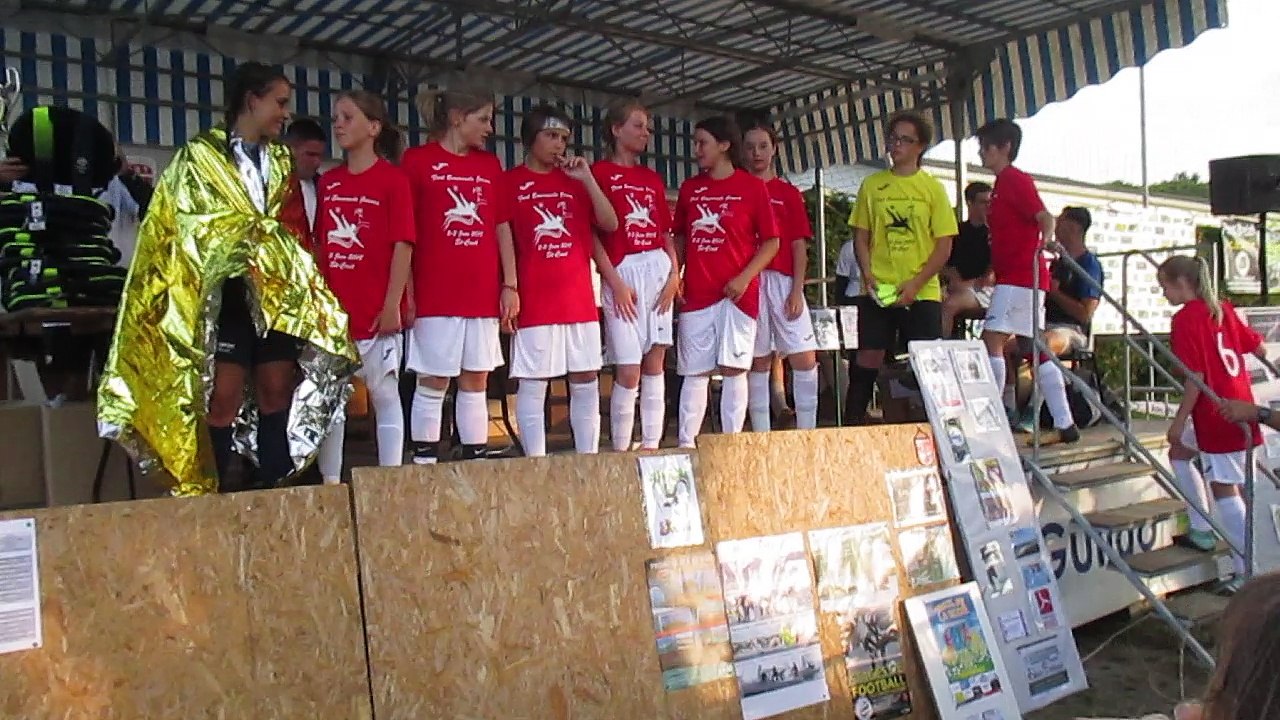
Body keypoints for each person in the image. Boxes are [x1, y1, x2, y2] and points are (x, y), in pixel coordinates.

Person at [97, 61, 357, 496]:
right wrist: (235, 240)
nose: (284, 113)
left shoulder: (280, 160)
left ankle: (280, 492)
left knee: (277, 391)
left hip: (276, 297)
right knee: (223, 397)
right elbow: (179, 226)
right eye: (279, 102)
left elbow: (292, 230)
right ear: (251, 100)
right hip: (227, 295)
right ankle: (211, 497)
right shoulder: (200, 156)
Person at [400, 86, 518, 464]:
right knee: (433, 380)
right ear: (456, 118)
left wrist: (510, 284)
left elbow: (501, 226)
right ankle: (423, 462)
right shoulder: (417, 162)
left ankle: (475, 459)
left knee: (476, 380)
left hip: (481, 292)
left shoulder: (489, 165)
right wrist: (409, 292)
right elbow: (406, 234)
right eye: (482, 119)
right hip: (436, 292)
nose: (488, 128)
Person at [312, 90, 414, 483]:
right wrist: (320, 304)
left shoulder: (393, 181)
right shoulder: (330, 183)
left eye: (348, 116)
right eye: (336, 116)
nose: (338, 123)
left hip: (377, 308)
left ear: (373, 128)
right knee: (332, 401)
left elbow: (402, 244)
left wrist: (393, 304)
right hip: (336, 313)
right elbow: (322, 245)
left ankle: (389, 481)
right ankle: (332, 485)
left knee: (385, 394)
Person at [507, 104, 617, 457]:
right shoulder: (510, 182)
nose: (559, 145)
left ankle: (588, 459)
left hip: (579, 300)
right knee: (534, 382)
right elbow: (502, 239)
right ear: (530, 138)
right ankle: (534, 463)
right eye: (551, 136)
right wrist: (508, 288)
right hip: (535, 299)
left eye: (564, 138)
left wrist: (587, 178)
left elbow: (610, 223)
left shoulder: (576, 181)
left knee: (585, 380)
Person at [671, 116, 779, 448]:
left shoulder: (752, 187)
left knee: (735, 369)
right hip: (698, 293)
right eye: (696, 143)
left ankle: (731, 445)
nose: (697, 150)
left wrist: (745, 277)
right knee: (694, 370)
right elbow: (679, 238)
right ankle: (687, 444)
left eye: (702, 142)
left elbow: (772, 241)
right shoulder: (690, 188)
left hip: (739, 296)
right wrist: (676, 275)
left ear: (724, 145)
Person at [845, 111, 957, 425]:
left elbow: (944, 245)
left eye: (905, 140)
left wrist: (917, 283)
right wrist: (867, 274)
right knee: (869, 353)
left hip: (922, 290)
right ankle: (852, 422)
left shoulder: (932, 188)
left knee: (926, 359)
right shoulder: (872, 184)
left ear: (920, 146)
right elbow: (861, 236)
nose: (896, 145)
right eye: (893, 138)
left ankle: (939, 426)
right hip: (880, 288)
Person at [1161, 255, 1263, 590]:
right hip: (1238, 400)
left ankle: (1247, 569)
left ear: (1180, 283)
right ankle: (1202, 529)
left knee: (1225, 488)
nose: (1164, 295)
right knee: (1179, 452)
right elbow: (1256, 345)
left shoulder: (1186, 319)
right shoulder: (1221, 309)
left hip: (1217, 410)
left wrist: (1178, 420)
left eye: (1165, 287)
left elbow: (1196, 378)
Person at [975, 118, 1078, 444]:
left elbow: (1043, 216)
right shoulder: (1002, 186)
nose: (982, 153)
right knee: (1030, 345)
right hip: (1019, 275)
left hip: (1021, 275)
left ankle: (994, 417)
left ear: (1004, 148)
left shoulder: (1014, 180)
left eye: (987, 147)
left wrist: (1045, 240)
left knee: (992, 340)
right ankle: (1064, 420)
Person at [591, 100, 679, 452]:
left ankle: (652, 444)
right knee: (628, 370)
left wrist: (675, 272)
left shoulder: (651, 178)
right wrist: (612, 281)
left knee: (656, 360)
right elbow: (592, 234)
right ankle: (621, 449)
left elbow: (664, 231)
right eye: (638, 126)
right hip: (622, 272)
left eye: (647, 128)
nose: (646, 134)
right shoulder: (599, 173)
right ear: (616, 129)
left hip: (656, 269)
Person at [742, 122, 820, 431]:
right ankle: (761, 432)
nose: (756, 153)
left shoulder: (788, 193)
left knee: (804, 356)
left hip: (784, 280)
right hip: (752, 281)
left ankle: (808, 431)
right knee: (759, 358)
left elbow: (799, 244)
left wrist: (797, 289)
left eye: (763, 145)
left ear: (774, 148)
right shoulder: (740, 188)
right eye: (750, 147)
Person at [1044, 206, 1104, 355]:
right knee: (1007, 345)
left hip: (1072, 330)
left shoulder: (1089, 265)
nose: (1055, 227)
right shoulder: (1059, 262)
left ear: (1073, 227)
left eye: (1059, 222)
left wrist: (1055, 294)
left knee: (1042, 344)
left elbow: (1085, 314)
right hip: (1045, 324)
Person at [940, 181, 992, 338]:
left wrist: (965, 285)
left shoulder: (995, 233)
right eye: (983, 202)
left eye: (990, 202)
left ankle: (942, 351)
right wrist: (951, 276)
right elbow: (944, 261)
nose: (988, 206)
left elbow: (992, 274)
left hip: (986, 289)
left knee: (949, 305)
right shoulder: (956, 231)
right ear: (970, 203)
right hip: (956, 286)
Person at [285, 118, 326, 231]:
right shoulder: (273, 187)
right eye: (311, 155)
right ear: (290, 150)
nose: (317, 162)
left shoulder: (324, 187)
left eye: (320, 156)